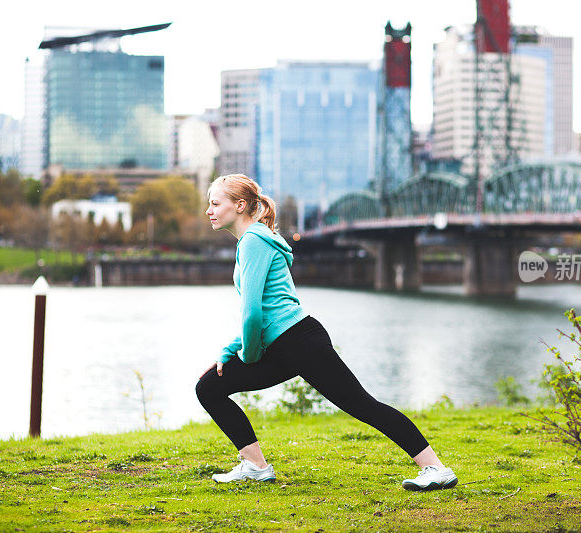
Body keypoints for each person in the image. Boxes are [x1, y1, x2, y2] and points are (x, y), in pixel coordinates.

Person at [195, 174, 457, 491]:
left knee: (362, 405)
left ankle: (435, 469)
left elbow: (253, 313)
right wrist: (230, 352)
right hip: (287, 341)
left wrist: (248, 356)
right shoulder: (255, 241)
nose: (209, 210)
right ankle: (255, 466)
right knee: (210, 387)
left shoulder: (253, 242)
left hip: (297, 342)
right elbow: (264, 312)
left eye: (215, 203)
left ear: (239, 205)